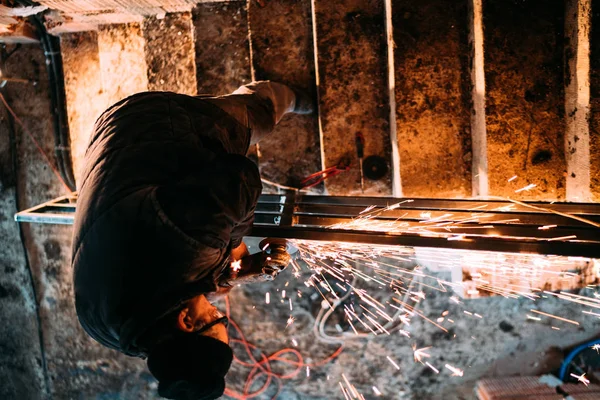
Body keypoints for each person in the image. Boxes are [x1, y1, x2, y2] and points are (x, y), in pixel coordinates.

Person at [71, 81, 313, 399]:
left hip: (154, 123)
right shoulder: (109, 329)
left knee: (254, 119)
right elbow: (162, 273)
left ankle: (288, 94)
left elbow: (240, 179)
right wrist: (229, 271)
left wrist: (235, 245)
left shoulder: (187, 248)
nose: (215, 308)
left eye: (213, 318)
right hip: (108, 141)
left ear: (186, 321)